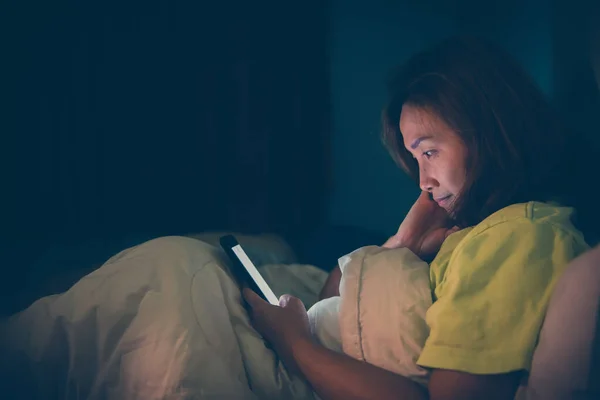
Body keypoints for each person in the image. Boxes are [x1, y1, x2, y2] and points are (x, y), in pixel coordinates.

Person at [244, 36, 593, 399]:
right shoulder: (477, 235)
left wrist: (296, 346)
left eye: (429, 152)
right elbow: (332, 296)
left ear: (490, 134)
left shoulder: (518, 236)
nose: (424, 182)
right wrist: (403, 242)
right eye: (416, 160)